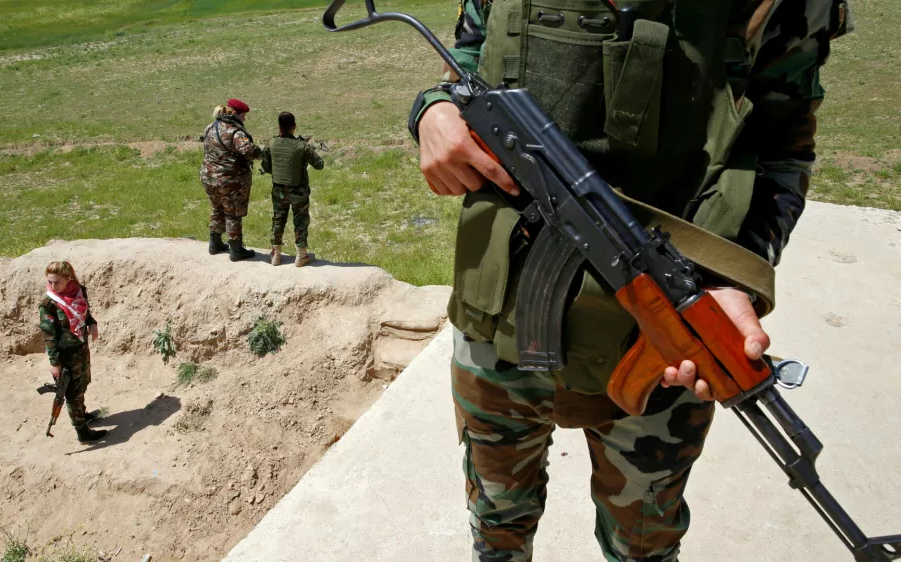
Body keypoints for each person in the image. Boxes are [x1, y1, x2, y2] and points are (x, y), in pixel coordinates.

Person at [409, 0, 852, 560]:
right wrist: (432, 110)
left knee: (643, 544)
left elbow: (784, 143)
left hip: (667, 327)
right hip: (498, 312)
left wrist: (736, 273)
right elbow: (468, 60)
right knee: (496, 527)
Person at [39, 261, 108, 444]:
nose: (52, 287)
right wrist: (55, 363)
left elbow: (85, 313)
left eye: (57, 282)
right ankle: (82, 432)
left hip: (81, 350)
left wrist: (92, 323)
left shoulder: (78, 291)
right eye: (50, 282)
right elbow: (49, 336)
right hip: (65, 356)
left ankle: (82, 416)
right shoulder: (49, 304)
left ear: (69, 279)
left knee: (82, 384)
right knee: (71, 393)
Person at [200, 98, 263, 261]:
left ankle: (215, 244)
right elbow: (249, 151)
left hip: (208, 177)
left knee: (217, 208)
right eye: (243, 115)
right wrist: (262, 153)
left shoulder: (210, 127)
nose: (244, 119)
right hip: (229, 180)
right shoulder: (235, 132)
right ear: (234, 114)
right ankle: (236, 250)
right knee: (232, 212)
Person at [260, 111, 324, 267]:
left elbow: (266, 167)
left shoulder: (271, 144)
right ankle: (301, 256)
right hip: (299, 192)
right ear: (294, 127)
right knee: (300, 222)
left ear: (279, 127)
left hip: (278, 190)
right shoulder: (301, 146)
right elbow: (319, 165)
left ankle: (275, 255)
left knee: (278, 219)